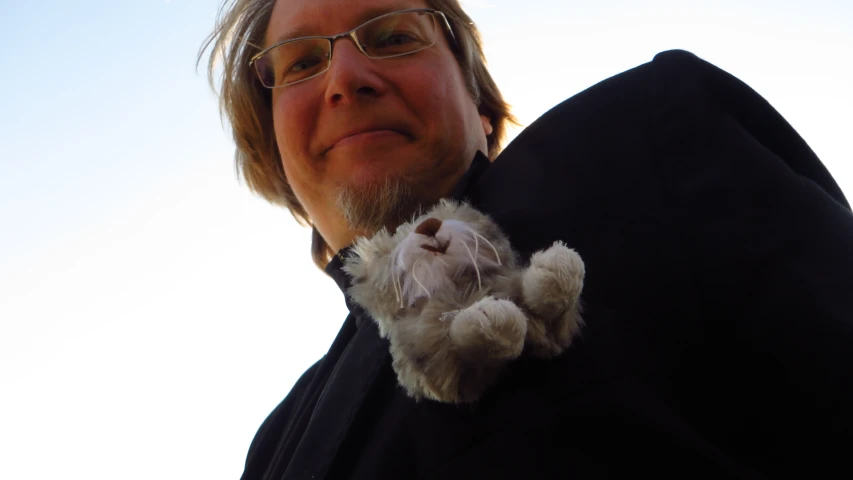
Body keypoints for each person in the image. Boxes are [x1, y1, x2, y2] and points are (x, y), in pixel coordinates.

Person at [201, 0, 853, 478]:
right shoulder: (275, 449)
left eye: (393, 36)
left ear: (481, 111)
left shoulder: (645, 134)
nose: (345, 78)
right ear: (278, 157)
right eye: (300, 63)